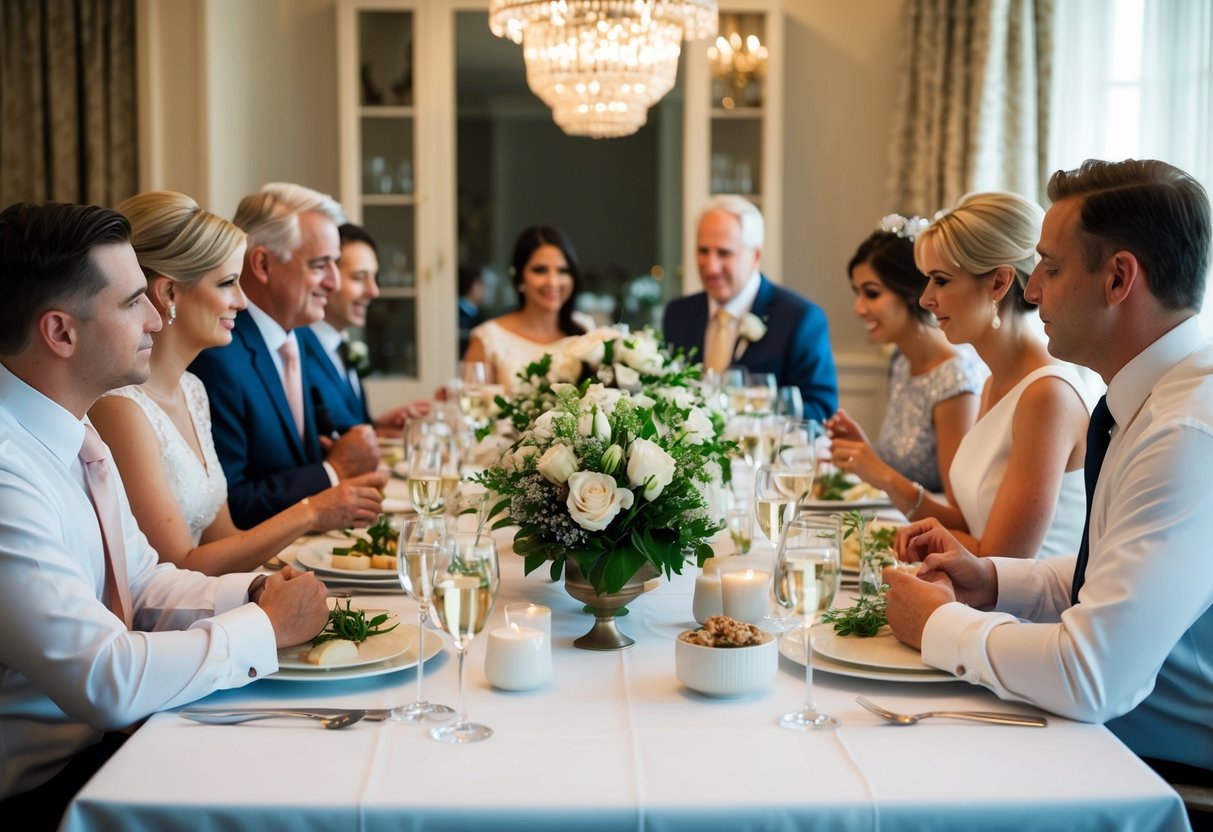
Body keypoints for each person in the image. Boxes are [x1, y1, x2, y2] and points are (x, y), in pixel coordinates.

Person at [0, 201, 330, 826]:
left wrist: (253, 592)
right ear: (61, 332)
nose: (157, 316)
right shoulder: (8, 472)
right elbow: (106, 678)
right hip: (48, 794)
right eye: (132, 303)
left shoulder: (73, 434)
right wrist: (264, 628)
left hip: (110, 751)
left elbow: (145, 581)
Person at [884, 158, 1213, 784]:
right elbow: (1109, 573)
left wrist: (937, 624)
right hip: (1095, 731)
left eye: (1052, 270)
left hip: (1149, 768)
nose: (1031, 294)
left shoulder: (1186, 433)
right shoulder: (1146, 400)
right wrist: (991, 580)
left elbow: (1093, 674)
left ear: (1119, 279)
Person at [87, 192, 386, 576]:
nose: (242, 302)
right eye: (228, 283)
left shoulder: (192, 389)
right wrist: (312, 512)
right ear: (169, 293)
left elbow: (223, 537)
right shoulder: (121, 407)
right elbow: (178, 566)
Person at [850, 192, 1092, 559]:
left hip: (1023, 614)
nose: (925, 299)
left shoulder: (1048, 394)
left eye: (941, 281)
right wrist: (882, 475)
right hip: (979, 600)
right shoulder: (997, 380)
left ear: (998, 283)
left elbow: (997, 561)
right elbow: (970, 524)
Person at [189, 183, 381, 529]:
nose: (335, 282)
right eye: (321, 265)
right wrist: (331, 471)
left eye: (336, 265)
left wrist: (329, 454)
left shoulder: (300, 336)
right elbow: (231, 505)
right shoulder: (218, 357)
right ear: (262, 264)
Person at [826, 217, 988, 502]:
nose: (858, 308)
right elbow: (900, 473)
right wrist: (862, 452)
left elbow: (960, 507)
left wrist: (875, 467)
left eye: (871, 294)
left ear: (911, 292)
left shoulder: (954, 379)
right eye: (857, 293)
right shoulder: (901, 361)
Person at [662, 195, 839, 422]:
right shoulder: (678, 315)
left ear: (755, 256)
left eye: (724, 253)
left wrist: (760, 408)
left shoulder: (800, 319)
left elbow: (821, 409)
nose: (711, 266)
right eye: (703, 251)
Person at [301, 222, 429, 438]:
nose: (374, 291)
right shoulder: (298, 350)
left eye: (374, 278)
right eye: (359, 277)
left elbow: (344, 430)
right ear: (326, 278)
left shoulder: (341, 346)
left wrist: (377, 427)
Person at [462, 224, 593, 392]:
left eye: (563, 270)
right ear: (520, 277)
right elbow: (472, 414)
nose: (553, 282)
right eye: (540, 270)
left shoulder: (585, 328)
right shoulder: (488, 340)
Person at [457, 264, 485, 357]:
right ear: (475, 286)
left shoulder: (473, 313)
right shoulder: (462, 315)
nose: (485, 289)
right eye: (482, 284)